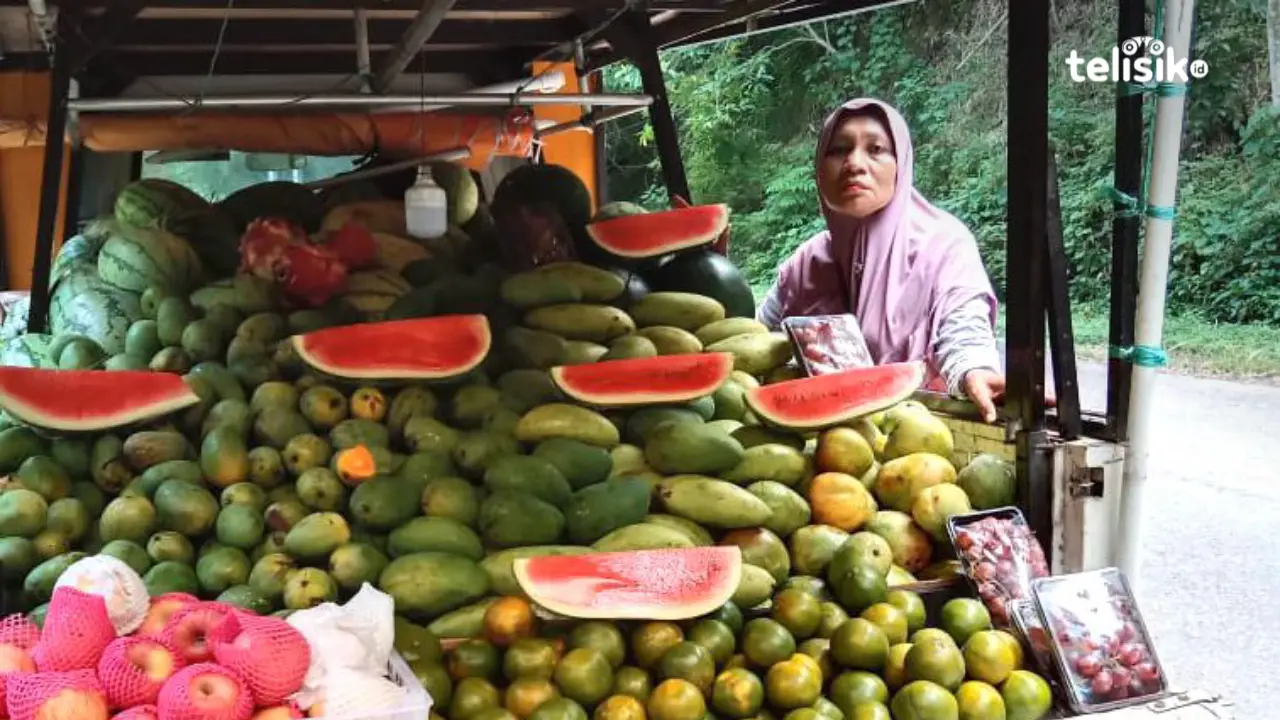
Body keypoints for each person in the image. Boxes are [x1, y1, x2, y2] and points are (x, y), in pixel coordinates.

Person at [756, 98, 1008, 422]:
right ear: (819, 169)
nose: (855, 164)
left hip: (922, 447)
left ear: (900, 164)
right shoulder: (805, 264)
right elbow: (755, 340)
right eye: (839, 150)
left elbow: (963, 327)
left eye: (875, 149)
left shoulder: (944, 244)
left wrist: (972, 370)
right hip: (823, 455)